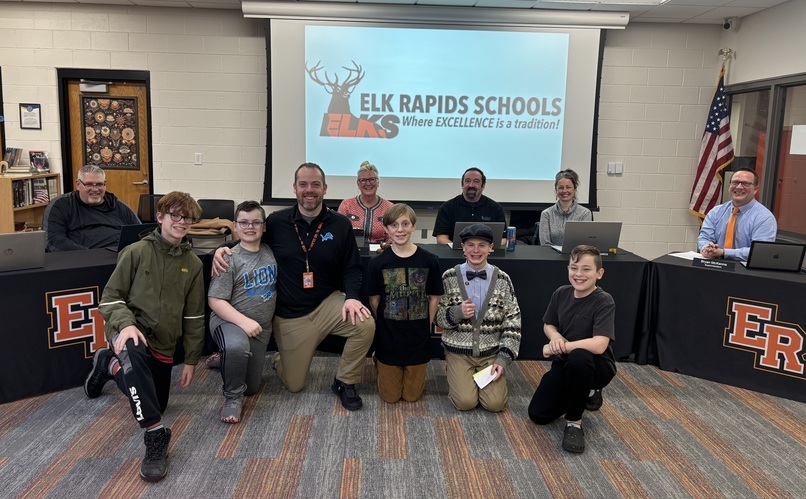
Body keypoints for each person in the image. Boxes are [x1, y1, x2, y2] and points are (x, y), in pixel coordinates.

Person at [213, 163, 374, 411]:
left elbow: (352, 267)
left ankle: (345, 381)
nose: (309, 190)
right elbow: (250, 239)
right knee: (294, 385)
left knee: (365, 324)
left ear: (325, 188)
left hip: (327, 303)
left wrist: (352, 297)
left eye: (315, 184)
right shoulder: (277, 222)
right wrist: (222, 249)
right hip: (290, 316)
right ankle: (283, 358)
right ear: (294, 188)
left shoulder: (340, 224)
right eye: (303, 184)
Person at [83, 191, 205, 482]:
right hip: (129, 331)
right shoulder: (136, 252)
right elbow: (110, 298)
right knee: (134, 353)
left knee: (156, 401)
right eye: (175, 215)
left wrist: (191, 359)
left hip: (163, 342)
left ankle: (108, 365)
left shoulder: (194, 264)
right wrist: (126, 324)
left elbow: (194, 316)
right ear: (160, 217)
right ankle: (155, 435)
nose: (181, 221)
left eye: (188, 217)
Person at [527, 244, 616, 454]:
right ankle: (585, 393)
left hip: (597, 365)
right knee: (538, 414)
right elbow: (549, 324)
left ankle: (574, 422)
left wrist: (561, 347)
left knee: (579, 356)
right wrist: (555, 337)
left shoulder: (604, 301)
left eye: (586, 269)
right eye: (574, 268)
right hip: (565, 363)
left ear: (599, 273)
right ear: (568, 269)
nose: (579, 274)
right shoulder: (561, 293)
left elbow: (599, 344)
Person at [434, 223, 521, 412]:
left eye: (482, 245)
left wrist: (502, 359)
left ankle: (477, 381)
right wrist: (456, 313)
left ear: (491, 248)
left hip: (490, 354)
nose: (476, 250)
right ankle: (456, 372)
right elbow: (437, 318)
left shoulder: (502, 279)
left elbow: (513, 322)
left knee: (495, 405)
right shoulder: (449, 277)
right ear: (463, 248)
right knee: (465, 402)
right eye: (470, 245)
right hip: (458, 352)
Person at [207, 200, 277, 424]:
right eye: (244, 222)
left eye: (256, 222)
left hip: (260, 329)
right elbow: (215, 300)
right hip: (229, 321)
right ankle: (232, 398)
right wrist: (244, 322)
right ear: (235, 226)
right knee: (237, 348)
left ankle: (224, 359)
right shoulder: (228, 257)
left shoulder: (270, 251)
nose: (250, 227)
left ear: (264, 227)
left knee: (252, 388)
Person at [367, 203, 443, 404]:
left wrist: (427, 323)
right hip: (389, 338)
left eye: (405, 224)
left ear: (413, 226)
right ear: (386, 229)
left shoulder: (430, 261)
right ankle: (378, 360)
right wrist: (383, 323)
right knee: (390, 397)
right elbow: (374, 299)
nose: (399, 230)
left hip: (417, 338)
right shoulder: (378, 263)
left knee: (411, 396)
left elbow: (434, 297)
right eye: (394, 225)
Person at [43, 165, 140, 251]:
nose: (95, 189)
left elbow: (140, 233)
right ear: (78, 184)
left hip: (120, 257)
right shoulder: (61, 205)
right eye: (89, 184)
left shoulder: (118, 205)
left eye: (99, 184)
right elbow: (53, 241)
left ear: (105, 184)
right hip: (82, 259)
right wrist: (89, 255)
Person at [698, 167, 777, 261]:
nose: (739, 187)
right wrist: (707, 248)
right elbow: (704, 238)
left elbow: (759, 251)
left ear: (755, 189)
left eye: (746, 183)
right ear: (729, 186)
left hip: (744, 268)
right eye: (735, 182)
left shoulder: (764, 218)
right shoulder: (716, 212)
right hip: (714, 264)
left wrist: (724, 253)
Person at [432, 167, 506, 245]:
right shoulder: (447, 207)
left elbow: (503, 239)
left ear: (483, 186)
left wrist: (486, 249)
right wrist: (460, 249)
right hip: (454, 252)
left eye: (476, 181)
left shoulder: (496, 208)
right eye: (467, 181)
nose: (471, 185)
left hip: (487, 252)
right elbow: (441, 239)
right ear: (462, 185)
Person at [338, 160, 394, 244]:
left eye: (372, 179)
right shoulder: (347, 205)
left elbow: (392, 238)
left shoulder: (389, 207)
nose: (368, 183)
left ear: (378, 182)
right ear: (358, 184)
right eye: (363, 180)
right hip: (352, 250)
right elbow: (339, 234)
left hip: (381, 251)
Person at [537, 169, 593, 246]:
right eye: (561, 187)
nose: (564, 191)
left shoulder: (585, 213)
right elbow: (545, 243)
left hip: (577, 253)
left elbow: (585, 243)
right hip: (551, 253)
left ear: (574, 189)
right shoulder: (546, 214)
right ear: (556, 190)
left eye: (568, 187)